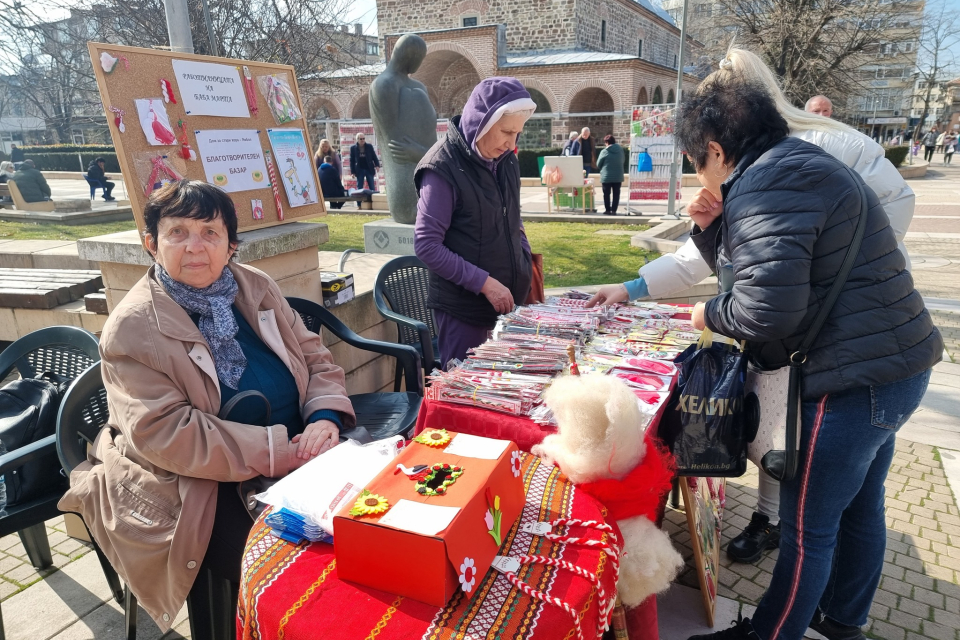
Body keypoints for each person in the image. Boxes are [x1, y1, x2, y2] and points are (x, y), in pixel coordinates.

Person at [586, 47, 917, 567]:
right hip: (874, 348)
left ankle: (794, 586)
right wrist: (658, 268)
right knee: (839, 494)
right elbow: (728, 260)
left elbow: (765, 300)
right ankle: (837, 608)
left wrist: (825, 280)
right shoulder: (765, 167)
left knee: (815, 524)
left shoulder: (782, 164)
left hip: (849, 353)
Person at [677, 74, 941, 640]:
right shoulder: (798, 163)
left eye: (696, 161)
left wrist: (707, 315)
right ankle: (844, 621)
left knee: (807, 532)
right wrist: (710, 230)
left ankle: (771, 633)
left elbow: (766, 311)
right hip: (895, 368)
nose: (700, 174)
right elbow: (770, 267)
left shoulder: (767, 184)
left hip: (848, 383)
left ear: (717, 151)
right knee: (859, 509)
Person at [58, 180, 355, 634]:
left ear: (231, 246)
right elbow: (168, 436)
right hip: (201, 487)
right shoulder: (133, 328)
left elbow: (316, 359)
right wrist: (284, 452)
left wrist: (325, 417)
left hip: (304, 451)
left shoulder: (254, 286)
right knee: (304, 577)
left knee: (372, 533)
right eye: (178, 233)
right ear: (151, 244)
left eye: (210, 233)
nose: (195, 248)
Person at [414, 77, 535, 367]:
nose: (512, 143)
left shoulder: (506, 159)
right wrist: (484, 284)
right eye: (506, 132)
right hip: (464, 313)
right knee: (467, 398)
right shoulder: (441, 167)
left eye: (518, 133)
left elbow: (513, 219)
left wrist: (524, 258)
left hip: (509, 307)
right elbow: (426, 245)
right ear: (481, 122)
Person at [596, 134, 624, 215]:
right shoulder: (620, 150)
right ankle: (614, 210)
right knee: (616, 194)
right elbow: (623, 160)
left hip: (606, 176)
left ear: (607, 142)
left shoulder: (604, 151)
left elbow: (598, 164)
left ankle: (608, 210)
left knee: (606, 194)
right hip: (618, 176)